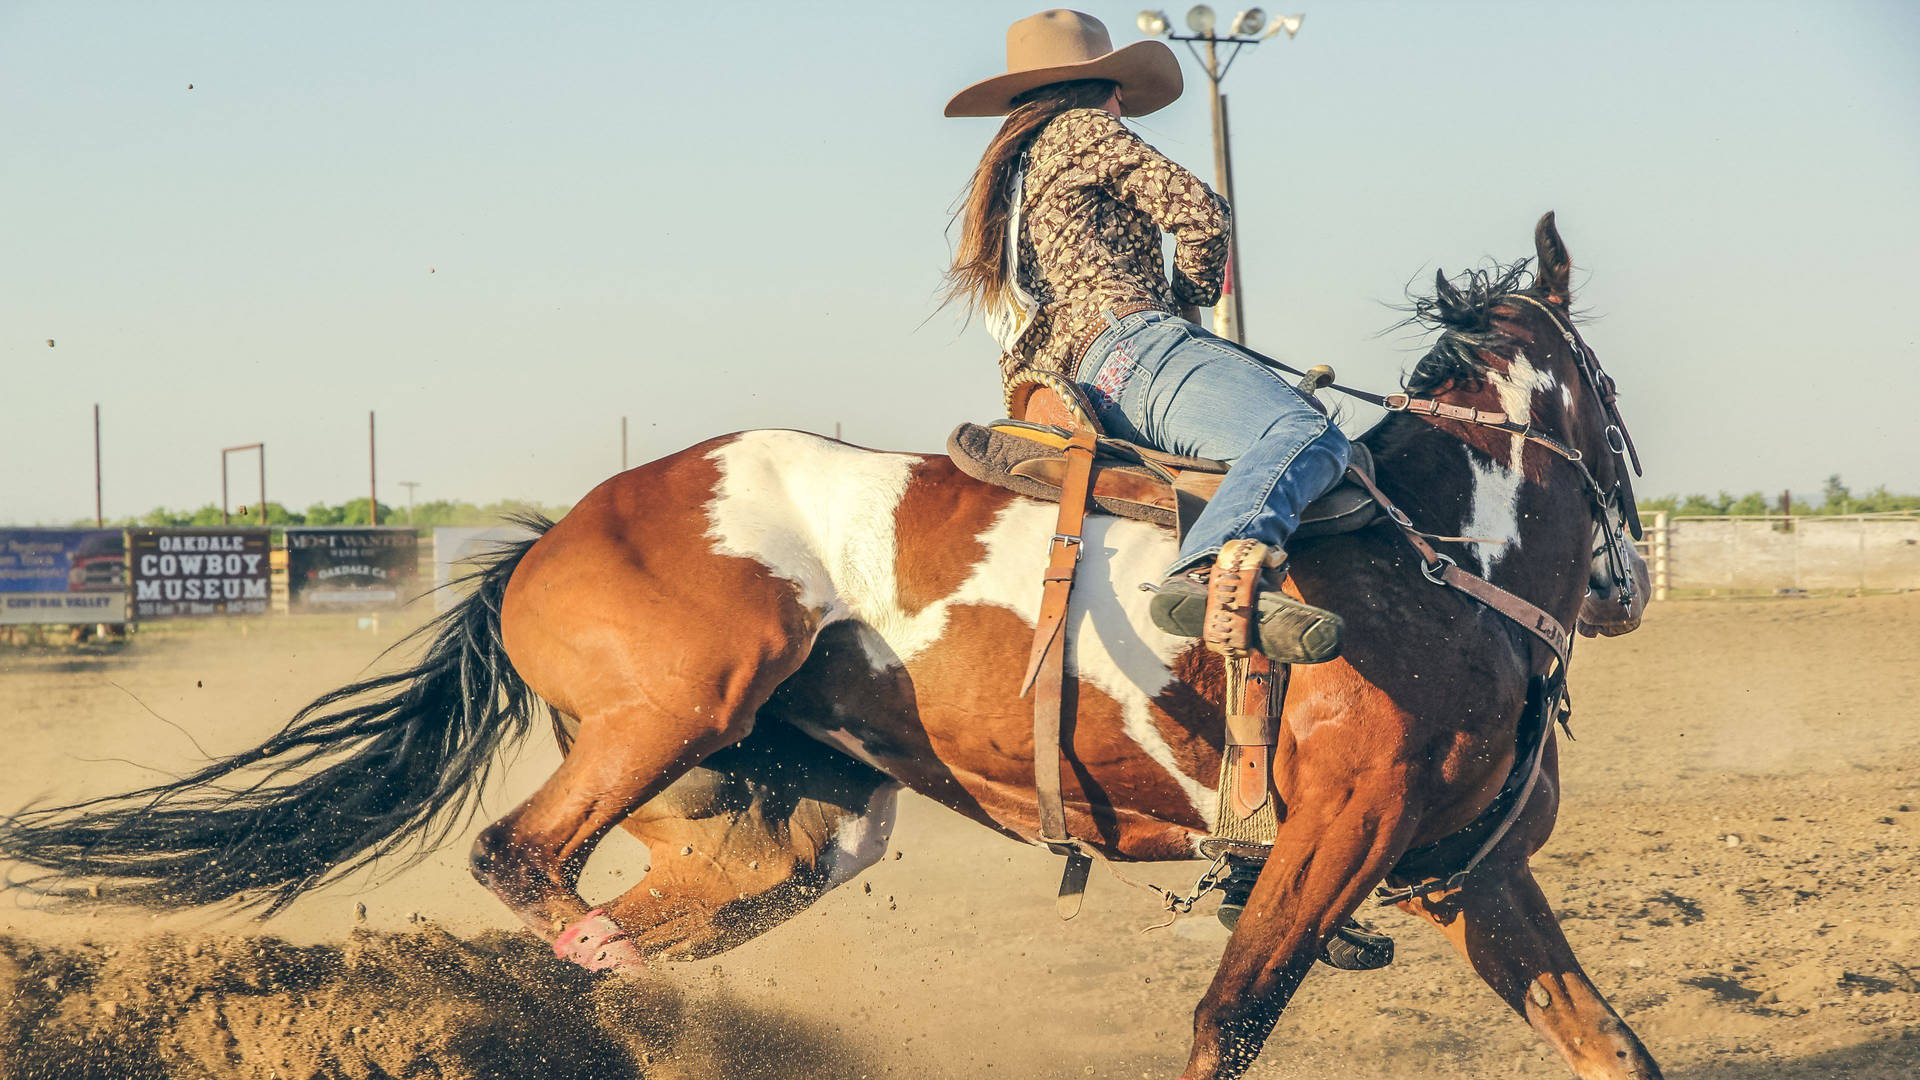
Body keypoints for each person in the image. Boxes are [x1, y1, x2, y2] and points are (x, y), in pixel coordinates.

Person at [943, 9, 1351, 663]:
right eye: (1121, 97)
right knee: (1302, 432)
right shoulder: (1084, 128)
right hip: (1129, 343)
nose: (1123, 110)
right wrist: (1188, 300)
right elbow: (1201, 212)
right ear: (1106, 90)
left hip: (1066, 375)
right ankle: (1208, 569)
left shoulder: (1019, 167)